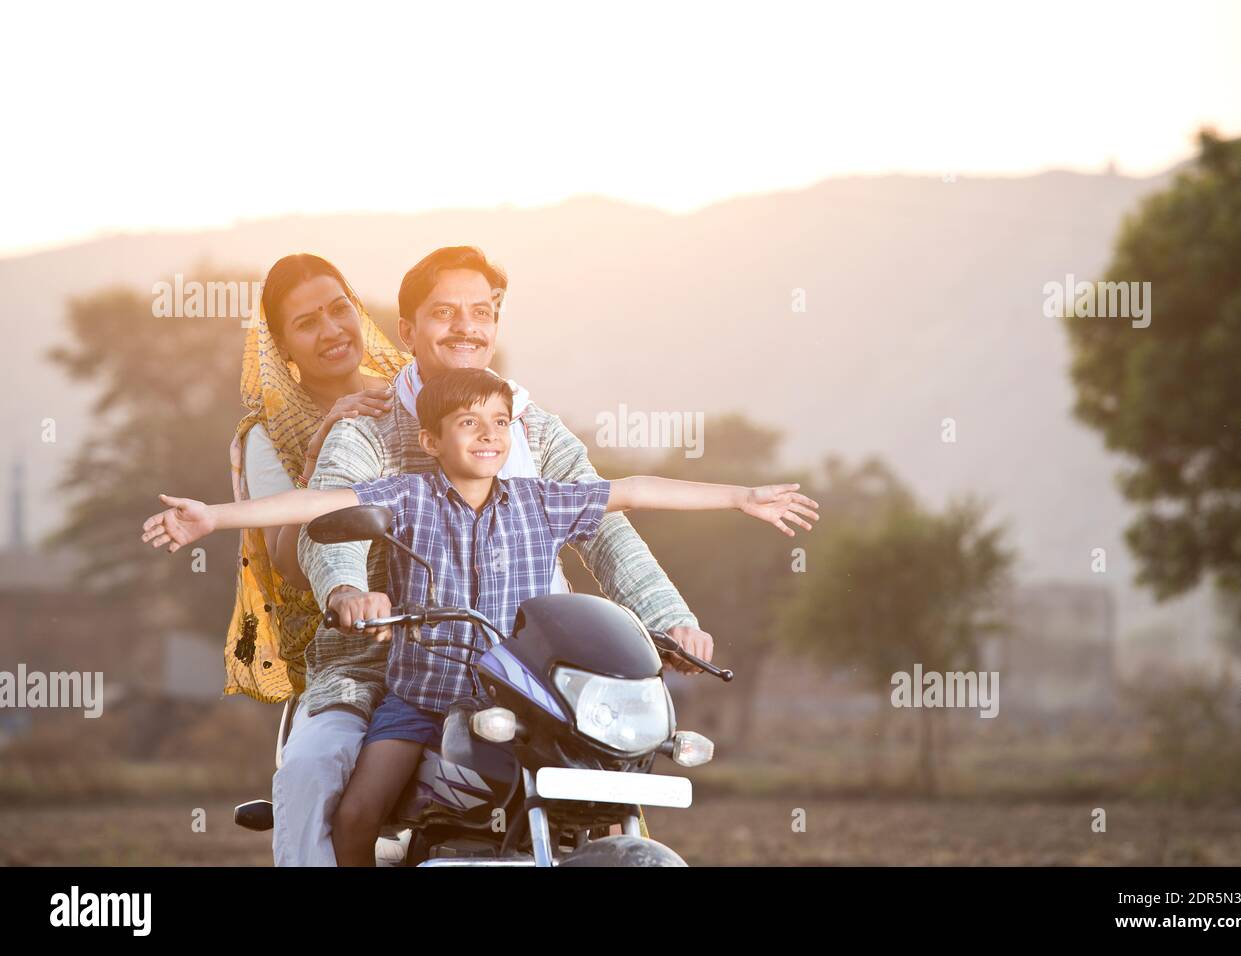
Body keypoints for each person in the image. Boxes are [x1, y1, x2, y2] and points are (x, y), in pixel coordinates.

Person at [141, 368, 820, 865]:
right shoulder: (407, 496)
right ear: (432, 441)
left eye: (499, 421)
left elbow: (636, 491)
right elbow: (315, 507)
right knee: (355, 813)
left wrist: (742, 496)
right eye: (469, 422)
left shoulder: (539, 501)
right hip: (422, 696)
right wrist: (214, 517)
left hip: (517, 701)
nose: (488, 434)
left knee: (602, 782)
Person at [272, 245, 717, 861]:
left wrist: (672, 619)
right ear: (407, 330)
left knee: (610, 779)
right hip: (383, 662)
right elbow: (332, 519)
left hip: (530, 667)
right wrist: (348, 592)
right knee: (315, 770)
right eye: (444, 313)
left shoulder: (528, 424)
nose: (465, 327)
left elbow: (606, 528)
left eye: (481, 312)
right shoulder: (369, 424)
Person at [225, 253, 406, 707]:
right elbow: (289, 565)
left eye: (340, 309)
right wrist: (321, 445)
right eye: (307, 323)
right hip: (342, 639)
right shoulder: (269, 435)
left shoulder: (409, 394)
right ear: (281, 346)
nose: (332, 331)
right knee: (324, 767)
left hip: (440, 621)